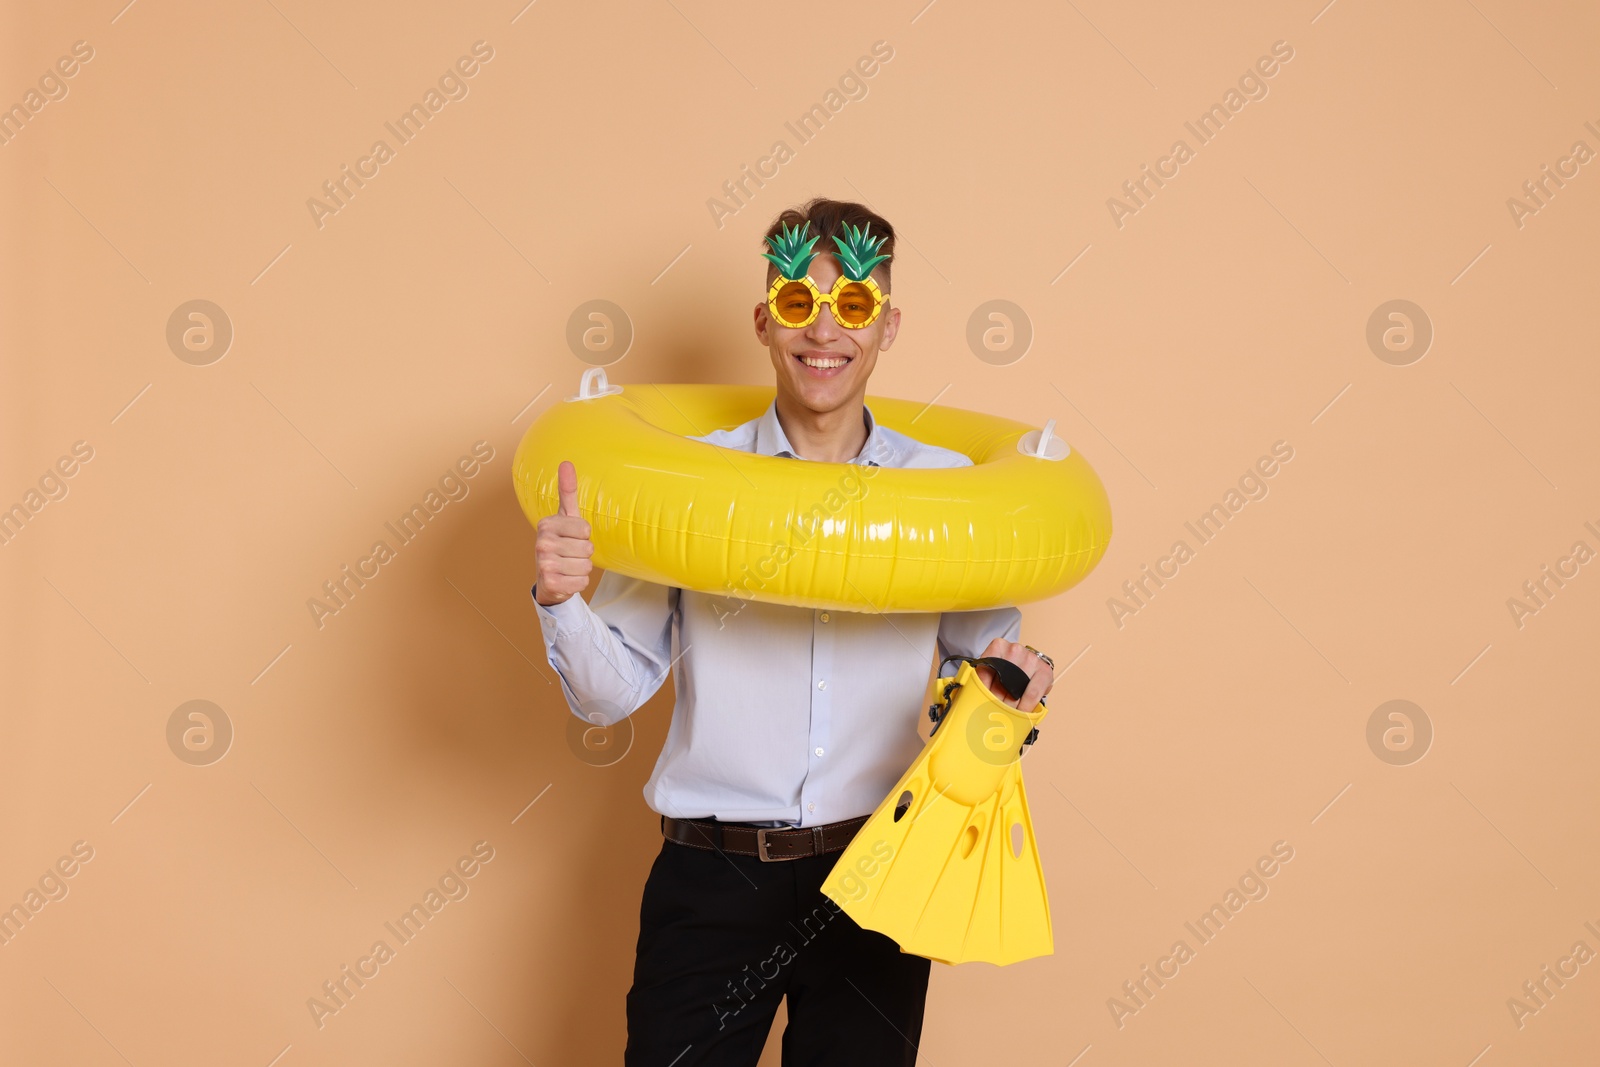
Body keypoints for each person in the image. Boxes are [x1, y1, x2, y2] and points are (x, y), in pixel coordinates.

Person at [530, 198, 1056, 1066]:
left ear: (886, 326)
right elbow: (610, 690)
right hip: (713, 875)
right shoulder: (690, 486)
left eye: (852, 305)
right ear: (764, 321)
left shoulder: (948, 492)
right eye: (797, 304)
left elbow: (979, 673)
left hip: (877, 868)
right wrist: (560, 599)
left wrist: (1007, 695)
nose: (824, 331)